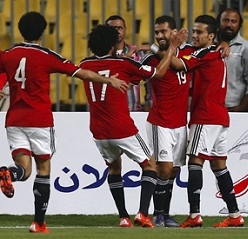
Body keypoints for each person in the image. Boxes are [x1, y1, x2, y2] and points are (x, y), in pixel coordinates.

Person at [0, 12, 128, 233]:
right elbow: (81, 73)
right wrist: (109, 80)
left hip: (14, 120)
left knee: (25, 169)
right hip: (38, 120)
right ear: (42, 32)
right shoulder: (47, 55)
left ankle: (11, 173)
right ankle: (39, 222)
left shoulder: (8, 55)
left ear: (20, 30)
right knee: (43, 169)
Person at [80, 24, 186, 228]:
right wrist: (172, 47)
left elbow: (130, 76)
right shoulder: (123, 64)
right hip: (121, 127)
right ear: (113, 44)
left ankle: (123, 217)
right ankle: (143, 213)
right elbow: (160, 73)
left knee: (114, 169)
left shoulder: (85, 63)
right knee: (150, 165)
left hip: (98, 130)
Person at [168, 15, 244, 228]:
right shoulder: (216, 52)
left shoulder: (205, 53)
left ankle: (194, 215)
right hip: (219, 116)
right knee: (219, 166)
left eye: (199, 32)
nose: (194, 35)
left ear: (211, 35)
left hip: (205, 115)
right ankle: (235, 215)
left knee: (195, 162)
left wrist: (171, 47)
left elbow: (176, 64)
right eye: (194, 31)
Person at [140, 15, 193, 228]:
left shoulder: (188, 52)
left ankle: (164, 213)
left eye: (164, 32)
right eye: (157, 33)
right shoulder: (149, 59)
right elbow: (163, 67)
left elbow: (178, 64)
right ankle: (158, 215)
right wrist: (155, 48)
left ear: (174, 32)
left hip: (180, 122)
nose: (160, 36)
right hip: (160, 121)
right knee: (164, 168)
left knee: (174, 171)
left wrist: (224, 43)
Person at [217, 8, 248, 112]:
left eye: (234, 21)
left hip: (231, 108)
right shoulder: (207, 46)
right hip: (206, 107)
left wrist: (242, 106)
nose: (229, 25)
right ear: (219, 23)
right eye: (225, 20)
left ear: (240, 25)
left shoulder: (247, 49)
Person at [105, 15, 152, 111]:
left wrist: (148, 103)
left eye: (119, 28)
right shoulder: (102, 55)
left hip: (134, 111)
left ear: (125, 30)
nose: (117, 31)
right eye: (112, 28)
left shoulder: (137, 53)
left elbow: (149, 80)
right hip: (110, 112)